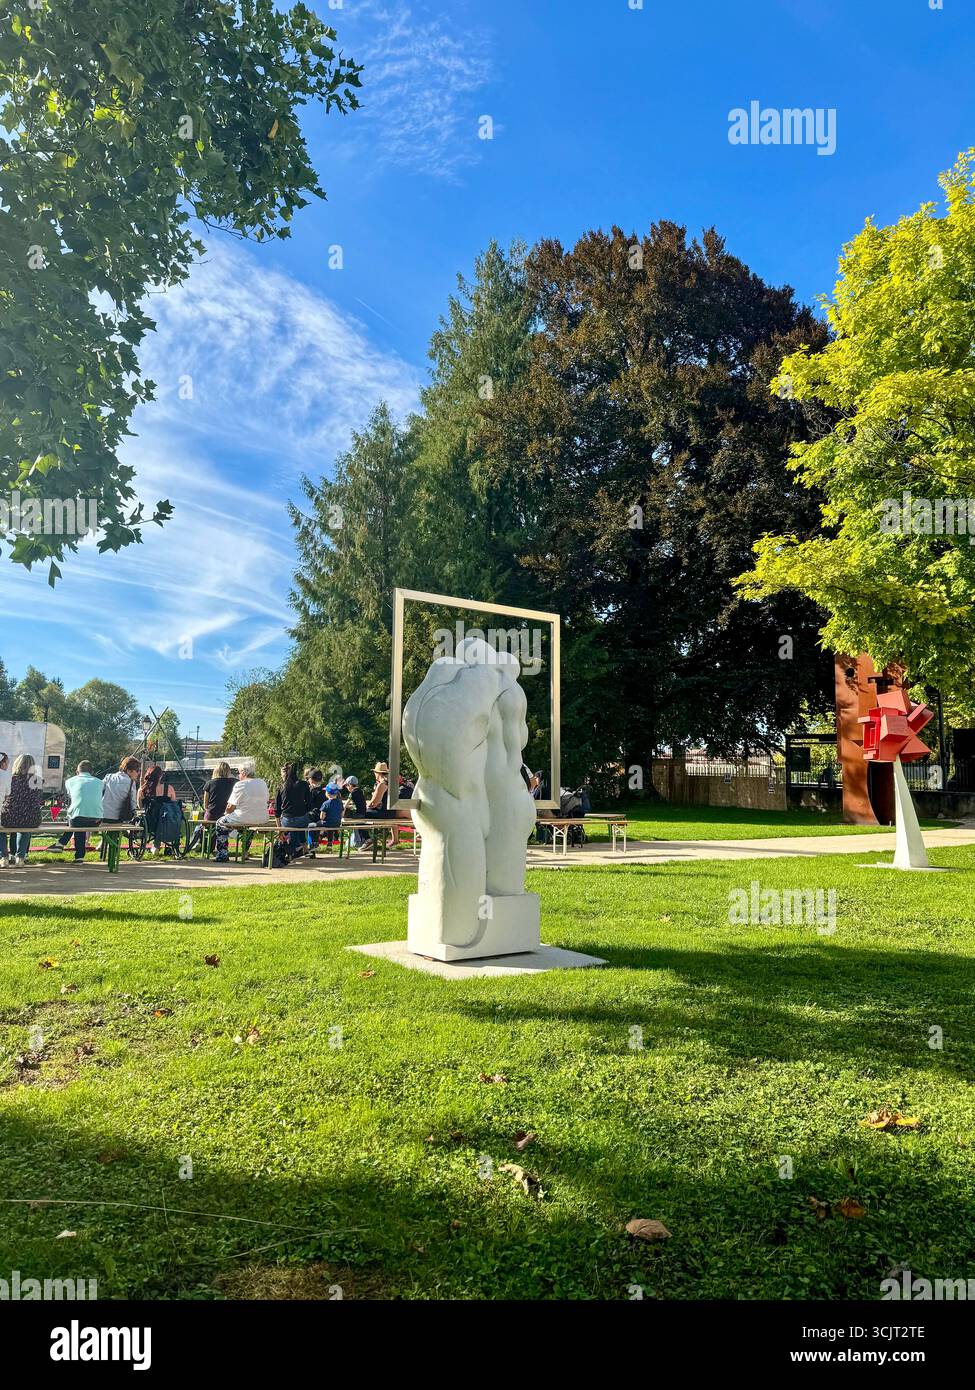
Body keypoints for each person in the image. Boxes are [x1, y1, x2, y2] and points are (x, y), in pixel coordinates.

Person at [214, 767, 270, 863]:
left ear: (244, 773)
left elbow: (230, 806)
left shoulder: (240, 784)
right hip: (262, 818)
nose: (238, 775)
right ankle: (245, 852)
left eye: (239, 773)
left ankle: (222, 854)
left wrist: (226, 813)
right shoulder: (262, 783)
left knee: (220, 823)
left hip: (244, 817)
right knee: (248, 827)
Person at [1, 752, 42, 865]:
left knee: (1, 830)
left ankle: (4, 857)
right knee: (26, 827)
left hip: (9, 817)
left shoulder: (10, 779)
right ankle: (20, 857)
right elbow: (37, 801)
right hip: (31, 818)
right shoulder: (37, 780)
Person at [61, 759, 104, 862]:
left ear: (77, 772)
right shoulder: (100, 782)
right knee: (79, 819)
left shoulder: (70, 781)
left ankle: (66, 845)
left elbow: (71, 795)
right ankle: (63, 844)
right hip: (96, 819)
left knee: (76, 821)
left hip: (77, 819)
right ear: (91, 772)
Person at [189, 761, 237, 853]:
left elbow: (206, 805)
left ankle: (201, 845)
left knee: (204, 826)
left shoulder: (209, 783)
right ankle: (213, 848)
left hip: (212, 814)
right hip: (227, 816)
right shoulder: (233, 783)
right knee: (218, 827)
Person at [138, 764, 177, 855]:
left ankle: (155, 846)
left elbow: (140, 806)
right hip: (166, 821)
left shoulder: (142, 790)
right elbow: (173, 804)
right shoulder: (169, 788)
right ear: (160, 776)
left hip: (149, 821)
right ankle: (160, 844)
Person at [274, 762, 311, 855]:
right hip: (302, 819)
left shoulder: (281, 786)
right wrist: (303, 810)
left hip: (287, 820)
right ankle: (302, 846)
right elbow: (310, 805)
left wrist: (279, 830)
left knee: (292, 824)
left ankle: (295, 847)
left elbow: (277, 810)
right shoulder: (304, 784)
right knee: (300, 823)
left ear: (285, 774)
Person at [102, 757, 140, 825]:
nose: (138, 773)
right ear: (128, 771)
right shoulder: (131, 782)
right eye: (137, 770)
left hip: (103, 815)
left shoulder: (109, 777)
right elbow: (133, 803)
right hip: (119, 818)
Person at [343, 774, 367, 849]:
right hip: (363, 813)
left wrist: (342, 814)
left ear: (350, 785)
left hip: (357, 815)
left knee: (345, 814)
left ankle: (355, 841)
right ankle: (359, 840)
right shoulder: (360, 791)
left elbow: (345, 805)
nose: (346, 788)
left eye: (346, 786)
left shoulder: (352, 793)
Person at [306, 769, 326, 854]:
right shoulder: (324, 790)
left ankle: (311, 845)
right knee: (315, 827)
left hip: (313, 815)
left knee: (309, 824)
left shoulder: (311, 791)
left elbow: (308, 804)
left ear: (311, 779)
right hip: (323, 816)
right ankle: (314, 843)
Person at [321, 782, 344, 847]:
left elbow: (321, 817)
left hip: (327, 823)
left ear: (327, 793)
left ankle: (316, 841)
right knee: (331, 825)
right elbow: (342, 815)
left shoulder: (326, 803)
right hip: (337, 823)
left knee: (315, 824)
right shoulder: (340, 802)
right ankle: (329, 843)